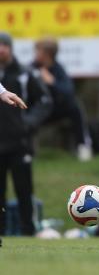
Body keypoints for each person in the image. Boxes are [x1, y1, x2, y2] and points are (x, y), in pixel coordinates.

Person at [0, 32, 53, 237]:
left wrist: (27, 123)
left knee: (24, 191)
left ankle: (28, 232)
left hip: (20, 143)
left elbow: (45, 101)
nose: (1, 49)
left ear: (11, 48)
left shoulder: (25, 73)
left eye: (5, 45)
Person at [32, 37, 92, 156]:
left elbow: (68, 90)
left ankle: (83, 147)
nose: (35, 54)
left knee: (75, 108)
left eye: (38, 51)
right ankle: (27, 151)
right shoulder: (32, 67)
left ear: (47, 54)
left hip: (55, 110)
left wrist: (52, 82)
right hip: (38, 109)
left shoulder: (58, 69)